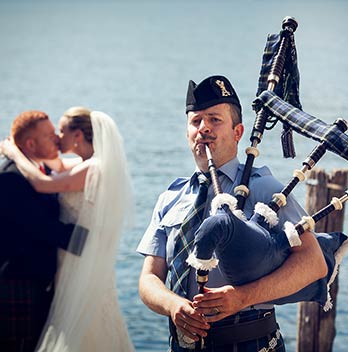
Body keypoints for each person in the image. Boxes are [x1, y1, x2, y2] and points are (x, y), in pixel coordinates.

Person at [137, 75, 328, 352]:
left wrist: (242, 297)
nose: (203, 128)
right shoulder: (171, 196)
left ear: (238, 132)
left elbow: (314, 263)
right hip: (183, 344)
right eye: (195, 121)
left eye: (215, 119)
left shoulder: (264, 188)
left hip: (250, 341)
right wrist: (172, 304)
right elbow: (149, 277)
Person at [1, 107, 134, 352]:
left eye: (60, 131)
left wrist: (15, 152)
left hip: (78, 256)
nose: (57, 137)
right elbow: (54, 166)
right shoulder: (84, 164)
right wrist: (23, 153)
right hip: (69, 257)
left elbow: (43, 183)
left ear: (78, 136)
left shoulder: (93, 168)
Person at [0, 111, 76, 352]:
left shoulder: (38, 170)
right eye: (49, 135)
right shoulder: (10, 178)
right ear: (31, 144)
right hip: (17, 286)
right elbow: (45, 229)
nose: (56, 138)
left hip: (36, 285)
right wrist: (92, 238)